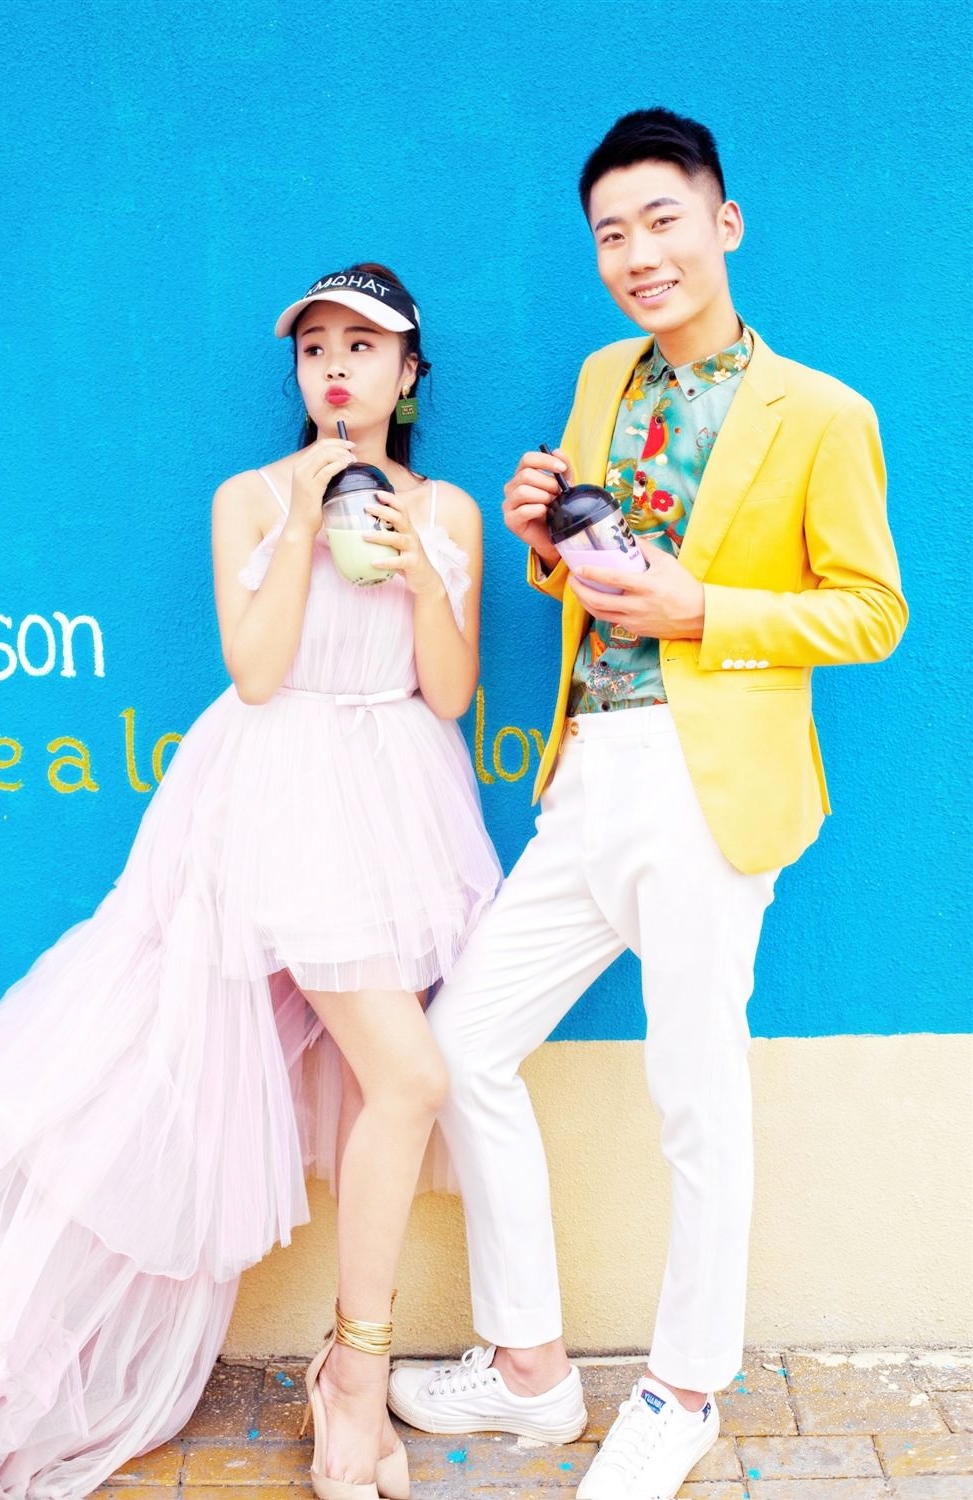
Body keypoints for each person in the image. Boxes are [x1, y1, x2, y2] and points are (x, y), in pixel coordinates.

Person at [388, 109, 907, 1500]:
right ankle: (532, 1369)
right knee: (463, 1041)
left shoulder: (824, 413)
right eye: (611, 234)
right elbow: (587, 567)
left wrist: (705, 610)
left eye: (662, 221)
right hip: (588, 770)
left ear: (723, 224)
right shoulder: (601, 376)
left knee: (694, 1091)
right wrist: (538, 539)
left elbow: (873, 612)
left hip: (708, 777)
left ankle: (683, 1391)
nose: (637, 255)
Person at [0, 262, 501, 1500]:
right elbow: (256, 674)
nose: (336, 366)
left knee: (383, 1083)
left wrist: (421, 568)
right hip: (285, 797)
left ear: (408, 374)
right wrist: (307, 522)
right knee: (407, 1075)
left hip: (397, 795)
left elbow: (447, 690)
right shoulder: (251, 497)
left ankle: (349, 1376)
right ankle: (354, 1378)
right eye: (316, 347)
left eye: (363, 346)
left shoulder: (449, 510)